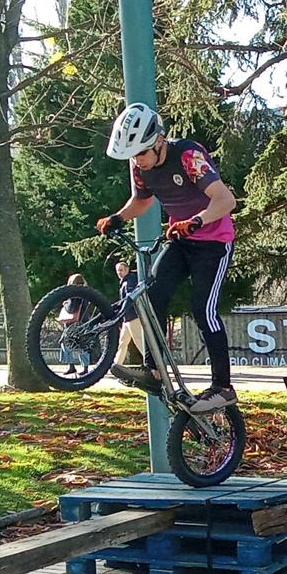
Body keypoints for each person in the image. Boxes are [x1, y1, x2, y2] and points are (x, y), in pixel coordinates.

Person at [96, 102, 238, 412]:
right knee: (153, 294)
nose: (139, 162)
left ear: (159, 141)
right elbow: (142, 201)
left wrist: (197, 220)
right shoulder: (140, 167)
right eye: (134, 156)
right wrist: (117, 218)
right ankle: (154, 370)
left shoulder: (188, 157)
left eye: (142, 153)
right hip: (181, 240)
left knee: (204, 310)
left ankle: (223, 387)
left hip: (213, 243)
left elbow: (226, 200)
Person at [57, 273, 89, 376]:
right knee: (82, 344)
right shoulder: (86, 292)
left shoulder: (74, 294)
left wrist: (65, 303)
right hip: (83, 321)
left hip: (73, 323)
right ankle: (85, 366)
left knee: (66, 343)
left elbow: (71, 308)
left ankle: (71, 366)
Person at [114, 261, 144, 366]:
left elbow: (130, 298)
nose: (119, 273)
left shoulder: (130, 281)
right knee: (122, 342)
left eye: (121, 270)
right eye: (118, 271)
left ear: (127, 269)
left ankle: (153, 364)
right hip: (127, 318)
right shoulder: (124, 282)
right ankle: (117, 365)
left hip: (133, 316)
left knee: (139, 341)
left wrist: (121, 311)